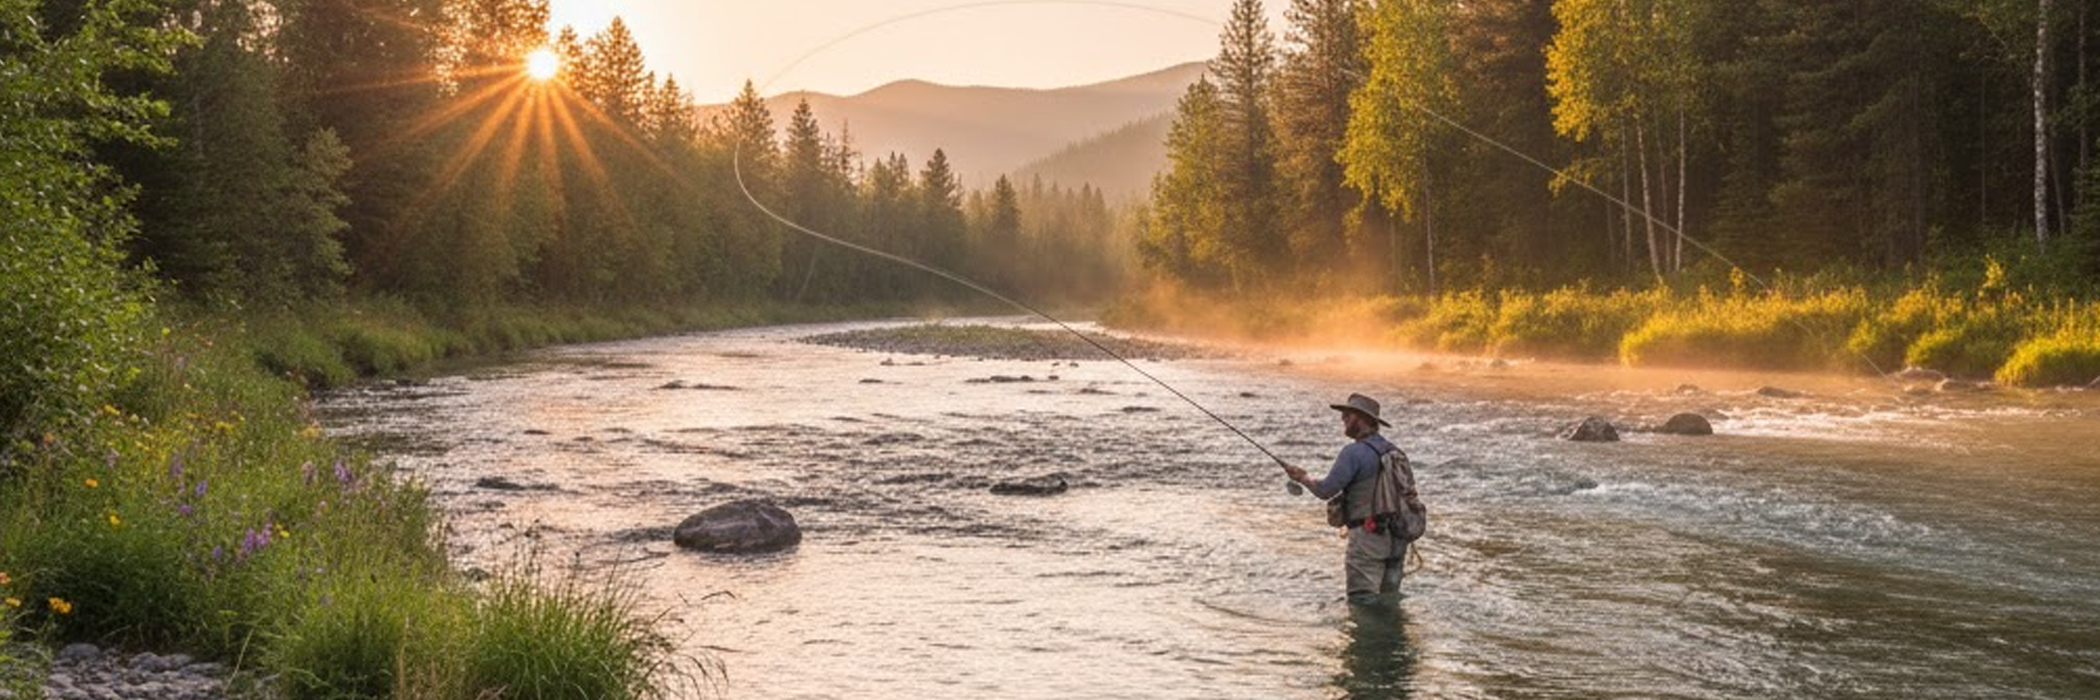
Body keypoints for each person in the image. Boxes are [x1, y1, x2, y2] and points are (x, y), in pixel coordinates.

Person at [1283, 393, 1408, 605]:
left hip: (1368, 538)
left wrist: (1302, 477)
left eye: (1347, 415)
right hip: (1398, 539)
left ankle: (1367, 638)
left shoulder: (1353, 453)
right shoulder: (1395, 452)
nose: (1343, 419)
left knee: (1362, 601)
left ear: (1361, 418)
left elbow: (1325, 490)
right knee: (1389, 602)